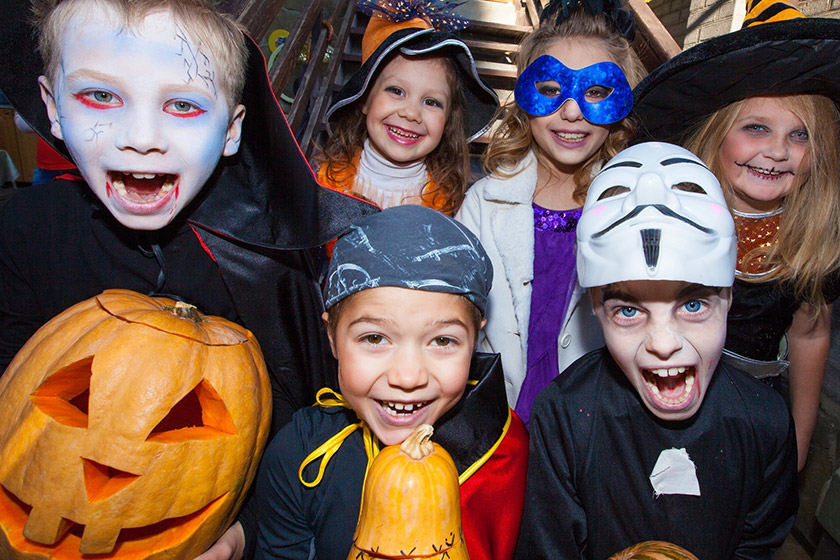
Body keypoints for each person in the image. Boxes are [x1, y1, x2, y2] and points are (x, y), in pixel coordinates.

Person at [0, 0, 375, 556]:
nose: (142, 137)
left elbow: (302, 433)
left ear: (232, 130)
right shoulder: (24, 232)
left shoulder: (269, 267)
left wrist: (242, 531)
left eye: (182, 104)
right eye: (101, 95)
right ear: (52, 107)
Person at [516, 142, 798, 560]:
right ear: (596, 308)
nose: (664, 343)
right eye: (629, 310)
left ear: (729, 299)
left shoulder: (765, 422)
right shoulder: (564, 415)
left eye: (693, 305)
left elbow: (758, 544)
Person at [632, 0, 840, 471]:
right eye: (757, 128)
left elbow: (810, 337)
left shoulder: (814, 237)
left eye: (800, 135)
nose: (776, 151)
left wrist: (796, 448)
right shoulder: (667, 210)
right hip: (653, 396)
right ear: (717, 133)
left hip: (747, 417)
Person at [254, 205, 528, 560]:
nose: (407, 377)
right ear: (333, 338)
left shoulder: (504, 450)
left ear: (475, 342)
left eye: (443, 341)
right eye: (374, 339)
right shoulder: (300, 454)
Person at [455, 0, 645, 426]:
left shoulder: (635, 210)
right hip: (494, 424)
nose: (573, 112)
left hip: (595, 427)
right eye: (551, 89)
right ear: (525, 95)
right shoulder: (482, 206)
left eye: (596, 92)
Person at [314, 0, 498, 216]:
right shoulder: (321, 182)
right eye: (396, 91)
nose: (410, 113)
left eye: (431, 102)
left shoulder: (453, 206)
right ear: (364, 99)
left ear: (448, 120)